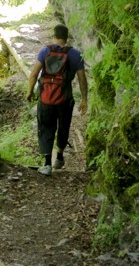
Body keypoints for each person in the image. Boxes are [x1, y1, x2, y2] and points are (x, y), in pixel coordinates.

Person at [25, 24, 88, 175]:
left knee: (46, 127)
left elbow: (34, 74)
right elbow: (82, 79)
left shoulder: (45, 51)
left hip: (45, 98)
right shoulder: (75, 54)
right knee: (63, 126)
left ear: (54, 36)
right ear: (67, 37)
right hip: (65, 99)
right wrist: (84, 99)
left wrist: (30, 91)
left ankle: (47, 164)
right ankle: (59, 156)